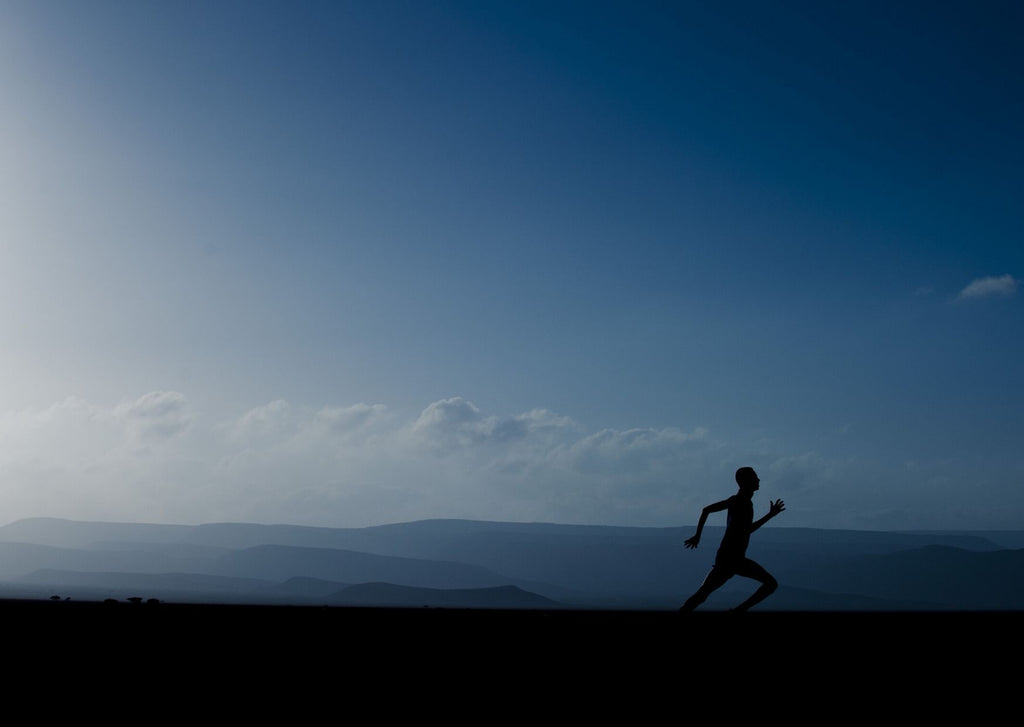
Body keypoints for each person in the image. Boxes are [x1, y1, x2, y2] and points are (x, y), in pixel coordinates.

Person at [679, 467, 785, 611]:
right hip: (732, 559)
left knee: (703, 594)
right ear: (746, 481)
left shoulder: (737, 500)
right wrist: (770, 515)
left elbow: (706, 510)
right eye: (755, 478)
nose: (758, 480)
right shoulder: (742, 502)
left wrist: (698, 536)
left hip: (729, 557)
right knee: (770, 584)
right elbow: (747, 530)